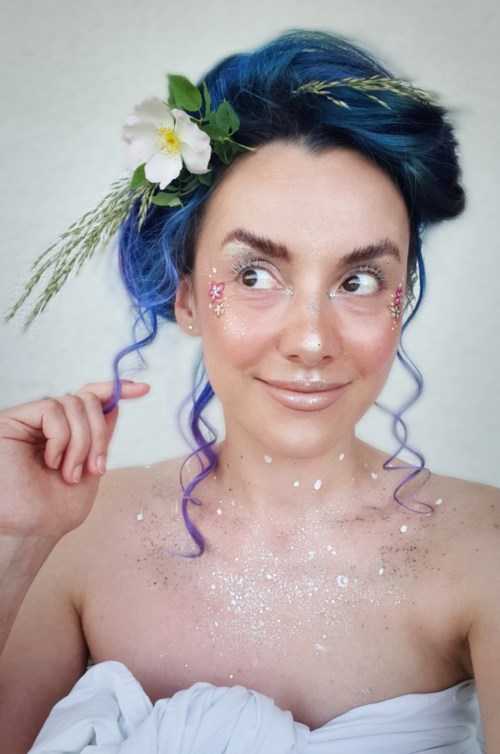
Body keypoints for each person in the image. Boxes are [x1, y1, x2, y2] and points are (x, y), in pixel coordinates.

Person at [0, 29, 497, 754]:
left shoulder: (484, 550)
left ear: (403, 296)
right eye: (256, 275)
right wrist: (18, 542)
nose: (311, 340)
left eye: (360, 280)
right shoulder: (76, 541)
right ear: (186, 298)